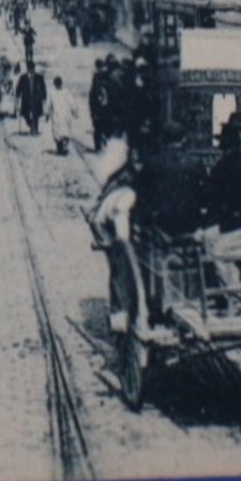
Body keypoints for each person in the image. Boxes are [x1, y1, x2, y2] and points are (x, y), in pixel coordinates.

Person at [87, 138, 144, 334]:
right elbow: (118, 222)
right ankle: (119, 313)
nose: (139, 165)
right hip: (109, 224)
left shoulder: (138, 179)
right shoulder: (124, 188)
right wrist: (124, 242)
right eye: (136, 162)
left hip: (124, 218)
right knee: (120, 261)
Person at [47, 74, 76, 155]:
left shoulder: (56, 93)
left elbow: (48, 105)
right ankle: (62, 148)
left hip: (59, 116)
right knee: (63, 133)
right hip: (63, 116)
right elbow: (72, 103)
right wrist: (74, 112)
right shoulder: (64, 92)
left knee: (59, 133)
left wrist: (47, 114)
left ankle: (62, 148)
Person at [16, 62, 48, 136]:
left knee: (36, 115)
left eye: (32, 69)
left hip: (36, 99)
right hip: (26, 99)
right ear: (27, 69)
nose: (31, 70)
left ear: (34, 69)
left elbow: (43, 88)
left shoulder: (39, 77)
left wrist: (44, 97)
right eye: (29, 69)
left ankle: (35, 130)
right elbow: (19, 87)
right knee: (25, 114)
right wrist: (18, 95)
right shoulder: (23, 77)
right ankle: (30, 123)